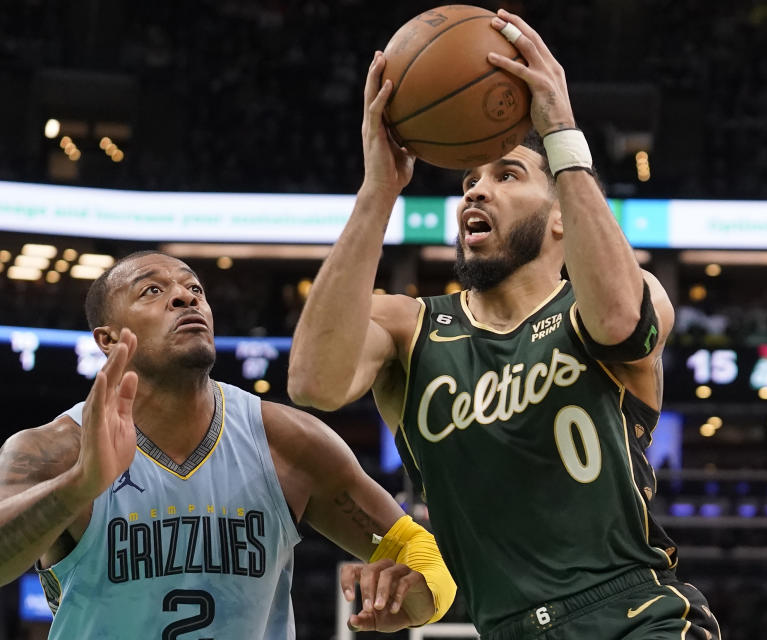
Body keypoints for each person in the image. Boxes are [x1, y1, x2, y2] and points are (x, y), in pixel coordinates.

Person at [288, 8, 720, 639]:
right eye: (468, 179)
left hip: (634, 614)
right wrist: (378, 189)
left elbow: (624, 322)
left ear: (560, 217)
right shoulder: (410, 329)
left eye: (506, 174)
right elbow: (313, 384)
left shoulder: (613, 300)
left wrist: (561, 130)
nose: (475, 191)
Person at [0, 251, 455, 638]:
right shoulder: (54, 449)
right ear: (108, 338)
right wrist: (80, 484)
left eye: (194, 289)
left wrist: (420, 599)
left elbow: (428, 556)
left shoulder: (287, 442)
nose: (185, 297)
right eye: (152, 291)